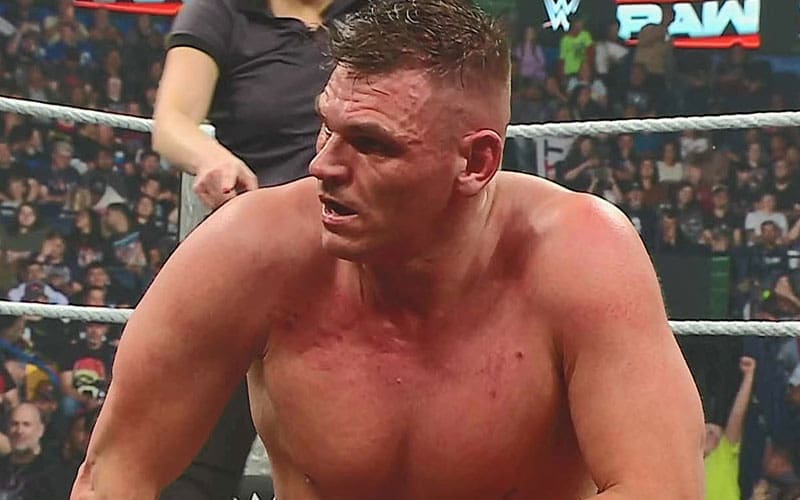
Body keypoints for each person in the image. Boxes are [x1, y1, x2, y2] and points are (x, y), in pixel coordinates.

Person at [74, 1, 705, 499]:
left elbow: (662, 489)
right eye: (326, 128)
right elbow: (112, 476)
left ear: (476, 162)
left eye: (371, 144)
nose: (323, 166)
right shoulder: (251, 249)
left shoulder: (580, 256)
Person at [152, 0, 365, 497]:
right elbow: (172, 122)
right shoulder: (222, 10)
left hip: (357, 265)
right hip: (255, 258)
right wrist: (212, 158)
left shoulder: (380, 12)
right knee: (191, 465)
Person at [704, 356, 756, 500]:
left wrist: (749, 375)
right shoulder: (686, 464)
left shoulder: (723, 454)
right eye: (708, 431)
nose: (709, 432)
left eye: (713, 433)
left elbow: (737, 414)